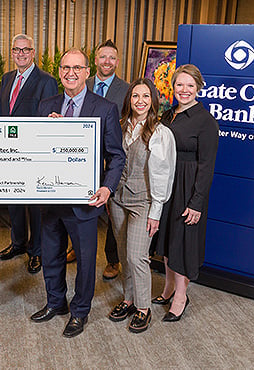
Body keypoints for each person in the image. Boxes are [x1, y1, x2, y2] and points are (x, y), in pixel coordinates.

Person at [31, 49, 125, 338]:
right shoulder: (46, 105)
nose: (70, 73)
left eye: (77, 68)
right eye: (65, 68)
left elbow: (117, 156)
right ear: (59, 71)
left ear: (87, 72)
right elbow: (34, 146)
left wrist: (108, 187)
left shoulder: (105, 108)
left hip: (85, 202)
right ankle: (55, 302)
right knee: (51, 254)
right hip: (50, 197)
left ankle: (80, 311)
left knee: (85, 259)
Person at [107, 78, 176, 333]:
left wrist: (156, 211)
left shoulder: (160, 133)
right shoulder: (121, 126)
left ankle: (143, 307)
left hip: (143, 201)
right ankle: (128, 298)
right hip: (117, 199)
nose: (140, 101)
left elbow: (164, 174)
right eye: (136, 96)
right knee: (125, 253)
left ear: (153, 100)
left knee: (137, 256)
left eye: (145, 96)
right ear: (129, 99)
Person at [152, 64, 219, 321]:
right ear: (173, 87)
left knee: (182, 242)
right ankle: (169, 287)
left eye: (190, 85)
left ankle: (181, 295)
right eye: (179, 85)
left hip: (188, 187)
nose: (184, 90)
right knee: (168, 239)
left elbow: (207, 166)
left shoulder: (205, 121)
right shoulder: (167, 116)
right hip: (166, 183)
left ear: (198, 88)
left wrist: (197, 203)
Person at [0, 34, 58, 274]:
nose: (21, 54)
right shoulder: (6, 78)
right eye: (16, 50)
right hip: (9, 150)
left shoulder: (46, 81)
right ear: (12, 53)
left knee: (34, 204)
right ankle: (18, 242)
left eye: (26, 50)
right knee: (13, 200)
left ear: (33, 53)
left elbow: (48, 119)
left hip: (34, 153)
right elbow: (4, 114)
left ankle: (37, 251)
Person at [85, 39, 130, 280]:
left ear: (117, 61)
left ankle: (112, 259)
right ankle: (75, 247)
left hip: (112, 156)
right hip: (83, 158)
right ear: (95, 60)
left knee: (113, 209)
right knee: (80, 203)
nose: (107, 62)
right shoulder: (84, 83)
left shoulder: (127, 89)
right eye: (103, 57)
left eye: (112, 58)